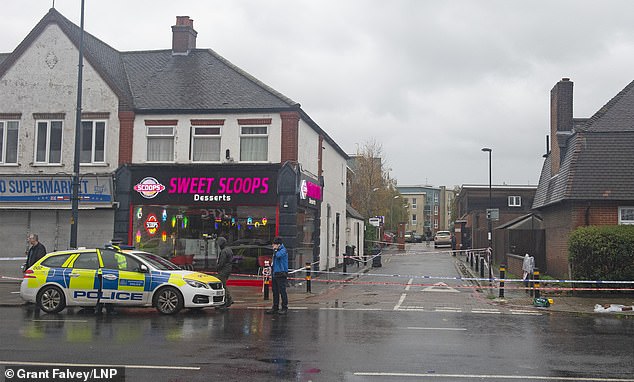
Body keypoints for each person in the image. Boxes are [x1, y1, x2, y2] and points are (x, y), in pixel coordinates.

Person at [266, 237, 288, 315]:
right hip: (275, 273)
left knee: (282, 291)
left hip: (281, 273)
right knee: (275, 291)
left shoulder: (283, 250)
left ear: (278, 244)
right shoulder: (276, 251)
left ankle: (284, 307)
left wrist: (275, 250)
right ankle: (275, 307)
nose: (273, 245)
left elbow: (278, 256)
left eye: (274, 244)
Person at [216, 237, 234, 309]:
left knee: (222, 285)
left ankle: (228, 300)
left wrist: (217, 267)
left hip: (224, 270)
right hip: (228, 269)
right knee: (223, 284)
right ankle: (227, 300)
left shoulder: (224, 251)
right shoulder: (229, 249)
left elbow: (221, 263)